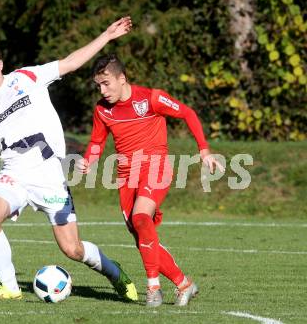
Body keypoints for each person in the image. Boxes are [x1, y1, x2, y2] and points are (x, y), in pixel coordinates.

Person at [0, 18, 138, 302]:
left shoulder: (28, 76)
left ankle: (115, 272)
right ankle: (11, 288)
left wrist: (106, 36)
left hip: (49, 177)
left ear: (0, 63)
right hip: (14, 177)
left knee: (72, 249)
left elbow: (72, 63)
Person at [76, 54, 224, 307]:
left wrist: (204, 150)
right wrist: (89, 160)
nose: (102, 90)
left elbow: (187, 113)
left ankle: (153, 287)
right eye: (98, 85)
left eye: (106, 83)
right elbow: (97, 142)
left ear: (122, 78)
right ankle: (184, 284)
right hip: (126, 177)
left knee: (141, 217)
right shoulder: (102, 110)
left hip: (156, 168)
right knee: (142, 235)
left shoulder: (151, 98)